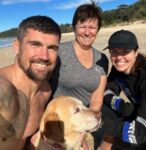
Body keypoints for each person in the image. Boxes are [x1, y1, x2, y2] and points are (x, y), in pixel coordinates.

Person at [50, 1, 108, 149]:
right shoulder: (60, 52)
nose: (87, 32)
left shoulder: (102, 59)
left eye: (92, 27)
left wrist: (86, 130)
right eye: (82, 26)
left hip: (83, 122)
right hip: (58, 125)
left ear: (98, 29)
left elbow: (96, 97)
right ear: (74, 27)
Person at [0, 15, 61, 150]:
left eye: (52, 48)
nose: (44, 56)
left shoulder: (45, 91)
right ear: (17, 46)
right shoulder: (3, 88)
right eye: (35, 44)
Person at [100, 29, 146, 150]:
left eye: (125, 52)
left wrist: (108, 128)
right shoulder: (118, 70)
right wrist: (120, 105)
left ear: (136, 52)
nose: (119, 58)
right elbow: (106, 91)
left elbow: (141, 132)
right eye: (114, 52)